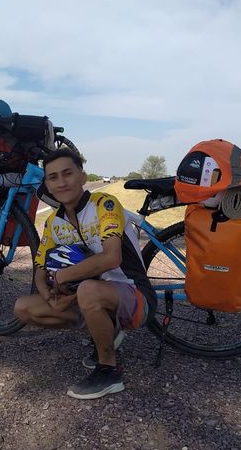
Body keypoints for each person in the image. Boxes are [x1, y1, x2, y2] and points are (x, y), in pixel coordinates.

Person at [14, 148, 156, 399]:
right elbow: (40, 267)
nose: (61, 182)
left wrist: (62, 278)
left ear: (82, 177)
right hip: (90, 295)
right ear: (46, 183)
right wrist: (49, 294)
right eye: (53, 177)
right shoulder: (53, 223)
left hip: (134, 296)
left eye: (67, 174)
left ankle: (109, 371)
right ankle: (105, 332)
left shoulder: (104, 205)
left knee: (87, 290)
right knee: (24, 307)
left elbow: (112, 257)